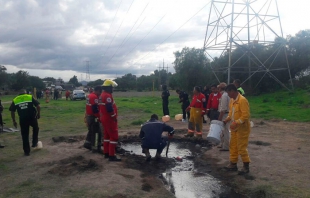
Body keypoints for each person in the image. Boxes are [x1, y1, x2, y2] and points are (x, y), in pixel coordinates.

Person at [223, 84, 251, 174]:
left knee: (241, 147)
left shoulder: (242, 100)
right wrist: (226, 120)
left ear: (232, 91)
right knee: (233, 146)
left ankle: (246, 166)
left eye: (228, 93)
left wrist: (237, 122)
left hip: (242, 128)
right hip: (234, 128)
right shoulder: (232, 100)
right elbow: (231, 113)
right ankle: (233, 164)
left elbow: (245, 115)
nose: (228, 95)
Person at [9, 90, 41, 156]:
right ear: (25, 93)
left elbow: (12, 111)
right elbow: (38, 106)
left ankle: (27, 152)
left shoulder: (15, 99)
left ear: (19, 94)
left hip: (23, 119)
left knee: (24, 135)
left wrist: (14, 121)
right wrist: (38, 114)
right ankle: (34, 142)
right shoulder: (29, 97)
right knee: (36, 128)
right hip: (32, 117)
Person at [99, 79, 121, 161]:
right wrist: (114, 116)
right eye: (112, 88)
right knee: (114, 136)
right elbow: (109, 108)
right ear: (108, 88)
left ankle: (106, 153)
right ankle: (112, 155)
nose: (113, 89)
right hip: (109, 119)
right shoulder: (107, 96)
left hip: (104, 118)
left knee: (107, 136)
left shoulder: (102, 95)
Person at [84, 86, 102, 153]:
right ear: (97, 90)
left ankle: (87, 144)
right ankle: (95, 147)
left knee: (91, 131)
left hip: (89, 116)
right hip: (93, 117)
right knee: (96, 132)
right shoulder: (94, 97)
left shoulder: (89, 96)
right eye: (100, 92)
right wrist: (99, 117)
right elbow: (95, 109)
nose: (100, 94)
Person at [217, 83, 230, 151]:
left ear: (220, 89)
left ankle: (226, 146)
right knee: (223, 130)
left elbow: (223, 109)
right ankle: (222, 144)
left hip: (225, 114)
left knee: (225, 131)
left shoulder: (224, 96)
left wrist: (220, 118)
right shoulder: (226, 95)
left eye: (218, 88)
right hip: (226, 113)